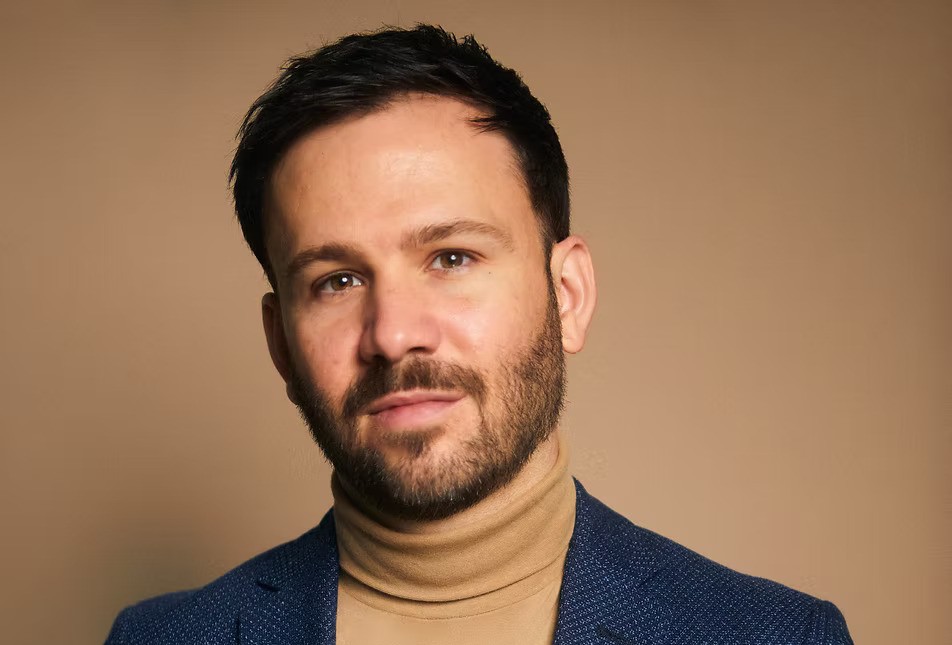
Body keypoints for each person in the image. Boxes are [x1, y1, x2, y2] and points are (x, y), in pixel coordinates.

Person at [106, 24, 852, 645]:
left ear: (567, 296)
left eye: (452, 258)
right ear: (281, 346)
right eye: (337, 280)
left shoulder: (778, 635)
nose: (394, 334)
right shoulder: (161, 638)